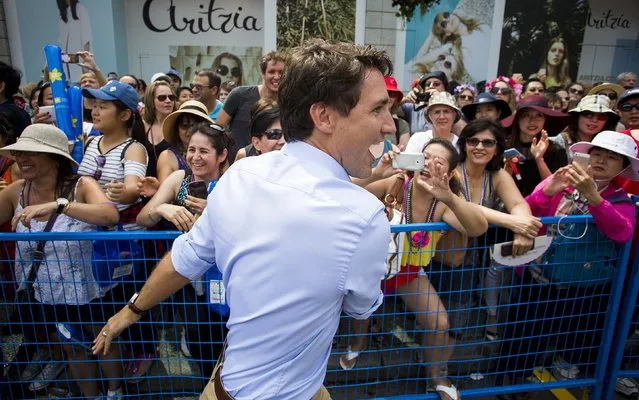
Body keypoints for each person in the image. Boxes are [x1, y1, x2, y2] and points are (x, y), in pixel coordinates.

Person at [92, 38, 399, 400]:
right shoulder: (362, 217)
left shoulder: (241, 175)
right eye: (378, 109)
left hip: (231, 385)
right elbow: (361, 305)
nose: (390, 125)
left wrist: (130, 311)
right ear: (324, 116)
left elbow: (186, 257)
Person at [342, 138, 487, 400]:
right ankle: (357, 344)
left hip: (408, 272)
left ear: (450, 172)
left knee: (440, 322)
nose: (429, 164)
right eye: (425, 156)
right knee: (361, 312)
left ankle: (436, 376)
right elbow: (346, 188)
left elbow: (477, 228)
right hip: (373, 267)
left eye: (438, 161)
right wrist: (377, 172)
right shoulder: (396, 183)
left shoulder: (444, 204)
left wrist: (450, 198)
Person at [497, 130, 638, 399]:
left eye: (612, 157)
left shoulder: (619, 199)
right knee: (522, 333)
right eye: (597, 153)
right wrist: (547, 192)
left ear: (623, 166)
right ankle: (510, 382)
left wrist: (595, 200)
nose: (601, 161)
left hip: (581, 285)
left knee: (571, 334)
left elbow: (622, 232)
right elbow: (523, 212)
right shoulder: (561, 180)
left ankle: (568, 378)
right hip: (537, 276)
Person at [0, 124, 121, 398]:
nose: (22, 159)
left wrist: (60, 205)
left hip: (89, 291)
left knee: (103, 341)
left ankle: (115, 391)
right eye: (19, 153)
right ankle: (92, 396)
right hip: (45, 293)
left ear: (54, 157)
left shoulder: (82, 185)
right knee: (71, 346)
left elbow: (110, 215)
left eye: (32, 152)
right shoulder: (16, 191)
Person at [216, 51, 286, 161]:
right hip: (236, 163)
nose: (277, 77)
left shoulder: (290, 103)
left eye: (281, 72)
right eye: (272, 72)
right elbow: (218, 130)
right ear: (263, 74)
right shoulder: (239, 95)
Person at [138, 100, 214, 198]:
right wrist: (158, 189)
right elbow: (164, 197)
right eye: (184, 126)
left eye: (195, 125)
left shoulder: (217, 152)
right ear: (177, 129)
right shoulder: (168, 156)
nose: (190, 130)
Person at [501, 95, 571, 196]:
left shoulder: (556, 151)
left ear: (545, 120)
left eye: (539, 115)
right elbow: (499, 187)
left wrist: (539, 159)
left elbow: (555, 188)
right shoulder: (503, 149)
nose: (532, 121)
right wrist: (508, 168)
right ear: (517, 120)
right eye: (526, 115)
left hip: (542, 208)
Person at [550, 95, 620, 160]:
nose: (594, 120)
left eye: (601, 117)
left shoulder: (611, 147)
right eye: (588, 114)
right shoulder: (556, 142)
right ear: (577, 117)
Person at [142, 80, 177, 177]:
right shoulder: (143, 127)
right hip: (146, 184)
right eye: (162, 98)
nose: (168, 101)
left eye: (171, 97)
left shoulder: (179, 126)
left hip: (171, 183)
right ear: (151, 102)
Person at [57, 0, 92, 82]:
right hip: (67, 60)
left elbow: (86, 39)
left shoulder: (81, 9)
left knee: (81, 81)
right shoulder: (63, 14)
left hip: (80, 58)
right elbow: (62, 40)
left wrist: (85, 63)